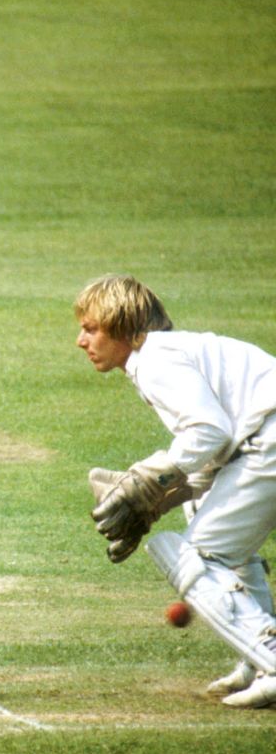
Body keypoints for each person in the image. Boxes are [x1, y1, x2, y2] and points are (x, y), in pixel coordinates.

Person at [75, 274, 276, 708]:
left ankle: (273, 660)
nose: (81, 340)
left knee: (197, 556)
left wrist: (149, 479)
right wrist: (156, 496)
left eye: (91, 328)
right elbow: (215, 452)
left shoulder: (156, 360)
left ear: (125, 328)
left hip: (269, 439)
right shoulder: (167, 354)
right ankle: (256, 657)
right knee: (208, 521)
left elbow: (209, 432)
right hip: (262, 440)